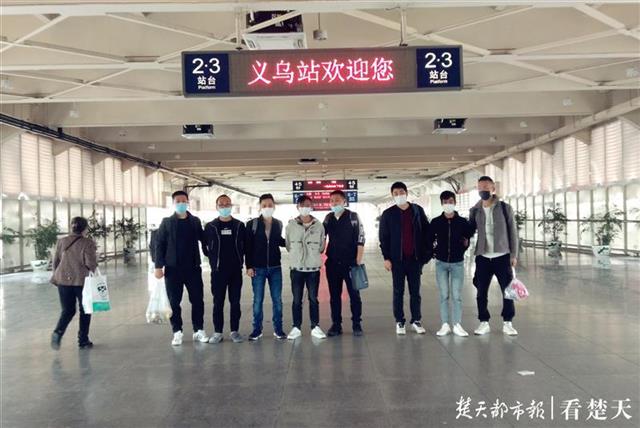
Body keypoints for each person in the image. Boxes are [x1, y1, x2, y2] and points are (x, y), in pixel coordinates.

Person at [154, 190, 209, 346]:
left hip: (193, 268)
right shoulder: (166, 222)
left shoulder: (195, 221)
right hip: (173, 269)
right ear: (173, 203)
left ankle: (199, 330)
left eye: (183, 201)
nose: (181, 203)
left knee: (197, 300)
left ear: (187, 202)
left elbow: (204, 240)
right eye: (178, 201)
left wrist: (211, 255)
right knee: (174, 302)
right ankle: (177, 331)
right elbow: (159, 244)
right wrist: (158, 266)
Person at [379, 182, 432, 335]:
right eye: (395, 193)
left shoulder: (417, 210)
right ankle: (399, 321)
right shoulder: (388, 214)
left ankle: (416, 320)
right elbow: (384, 237)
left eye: (401, 192)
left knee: (415, 292)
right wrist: (386, 258)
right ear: (392, 195)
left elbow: (427, 232)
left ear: (407, 193)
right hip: (397, 260)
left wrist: (426, 254)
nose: (399, 195)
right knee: (398, 291)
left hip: (415, 259)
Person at [468, 176, 519, 336]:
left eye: (485, 187)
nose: (482, 190)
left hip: (502, 256)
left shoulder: (504, 208)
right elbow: (469, 230)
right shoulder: (475, 210)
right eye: (479, 187)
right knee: (481, 291)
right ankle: (484, 322)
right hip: (483, 256)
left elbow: (513, 232)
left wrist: (514, 254)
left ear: (493, 189)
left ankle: (508, 322)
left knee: (508, 291)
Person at [428, 191, 473, 337]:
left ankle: (457, 324)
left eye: (451, 201)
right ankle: (445, 324)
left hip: (457, 263)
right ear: (442, 203)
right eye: (445, 202)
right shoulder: (436, 222)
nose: (448, 204)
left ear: (455, 203)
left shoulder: (462, 222)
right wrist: (434, 252)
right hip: (441, 263)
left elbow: (467, 238)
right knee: (444, 295)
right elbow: (429, 239)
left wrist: (462, 249)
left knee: (456, 295)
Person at [50, 216, 98, 349]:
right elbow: (90, 264)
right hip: (80, 281)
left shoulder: (62, 241)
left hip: (63, 280)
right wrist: (95, 262)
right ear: (85, 228)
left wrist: (56, 276)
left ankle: (58, 332)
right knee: (85, 309)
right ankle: (83, 340)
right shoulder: (87, 243)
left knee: (67, 310)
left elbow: (55, 261)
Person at [204, 194, 246, 344]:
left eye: (227, 204)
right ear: (216, 207)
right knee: (218, 302)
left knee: (235, 302)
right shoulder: (210, 226)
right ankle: (218, 332)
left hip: (235, 270)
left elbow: (245, 245)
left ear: (231, 206)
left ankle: (234, 331)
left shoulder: (239, 225)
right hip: (218, 271)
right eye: (221, 204)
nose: (224, 206)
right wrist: (213, 259)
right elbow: (205, 246)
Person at [323, 190, 365, 337]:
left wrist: (358, 260)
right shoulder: (328, 218)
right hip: (333, 263)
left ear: (344, 202)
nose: (334, 203)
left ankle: (356, 324)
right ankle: (336, 325)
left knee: (354, 295)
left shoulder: (353, 217)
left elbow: (361, 238)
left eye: (337, 200)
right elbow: (322, 236)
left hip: (350, 262)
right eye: (331, 200)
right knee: (334, 295)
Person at [245, 193, 286, 341]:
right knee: (258, 300)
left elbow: (278, 240)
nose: (267, 207)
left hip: (275, 267)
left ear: (274, 206)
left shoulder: (278, 223)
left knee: (277, 300)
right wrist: (249, 266)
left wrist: (292, 242)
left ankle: (278, 329)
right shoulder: (252, 224)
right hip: (258, 268)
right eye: (264, 205)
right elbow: (248, 246)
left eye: (270, 205)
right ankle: (257, 329)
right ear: (260, 207)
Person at [285, 195, 327, 340]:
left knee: (313, 298)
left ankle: (315, 326)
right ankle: (296, 327)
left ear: (312, 206)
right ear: (297, 207)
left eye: (308, 205)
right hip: (296, 269)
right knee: (296, 299)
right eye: (302, 205)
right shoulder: (291, 226)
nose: (305, 207)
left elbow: (321, 247)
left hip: (313, 270)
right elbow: (288, 246)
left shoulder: (319, 226)